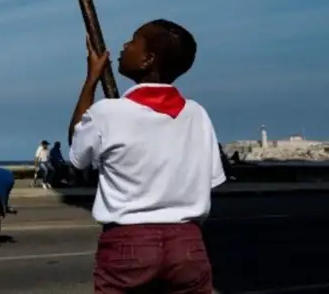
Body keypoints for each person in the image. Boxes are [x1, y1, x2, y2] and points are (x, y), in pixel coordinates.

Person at [68, 19, 224, 293]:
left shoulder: (107, 113)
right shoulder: (197, 114)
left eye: (133, 40)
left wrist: (91, 79)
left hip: (129, 242)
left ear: (148, 60)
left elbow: (77, 151)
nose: (125, 45)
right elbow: (210, 179)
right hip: (187, 244)